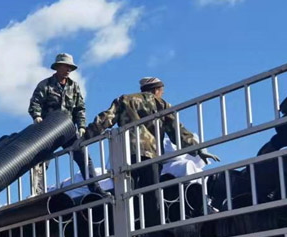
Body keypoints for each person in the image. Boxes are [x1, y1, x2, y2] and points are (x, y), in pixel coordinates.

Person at [86, 77, 220, 226]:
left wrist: (86, 136)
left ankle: (129, 230)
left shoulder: (125, 100)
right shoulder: (161, 105)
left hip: (125, 156)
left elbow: (106, 119)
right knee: (151, 195)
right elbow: (178, 132)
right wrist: (198, 149)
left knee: (125, 197)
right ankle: (153, 233)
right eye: (161, 92)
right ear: (156, 90)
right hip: (150, 156)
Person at [29, 53, 103, 195]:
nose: (68, 69)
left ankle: (95, 188)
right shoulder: (45, 85)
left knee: (83, 156)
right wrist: (37, 116)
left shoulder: (74, 87)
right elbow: (35, 102)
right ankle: (37, 194)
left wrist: (81, 126)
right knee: (41, 161)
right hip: (48, 129)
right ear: (58, 67)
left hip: (67, 129)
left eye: (70, 67)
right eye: (66, 66)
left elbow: (80, 108)